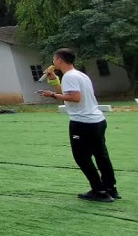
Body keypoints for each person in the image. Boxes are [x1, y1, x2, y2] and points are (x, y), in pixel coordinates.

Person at [39, 48, 119, 202]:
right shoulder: (80, 75)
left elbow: (74, 97)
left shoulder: (69, 76)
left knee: (81, 158)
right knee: (101, 155)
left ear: (59, 60)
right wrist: (55, 80)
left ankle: (99, 191)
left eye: (54, 59)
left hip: (83, 122)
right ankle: (110, 188)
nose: (53, 62)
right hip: (97, 120)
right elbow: (68, 94)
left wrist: (52, 95)